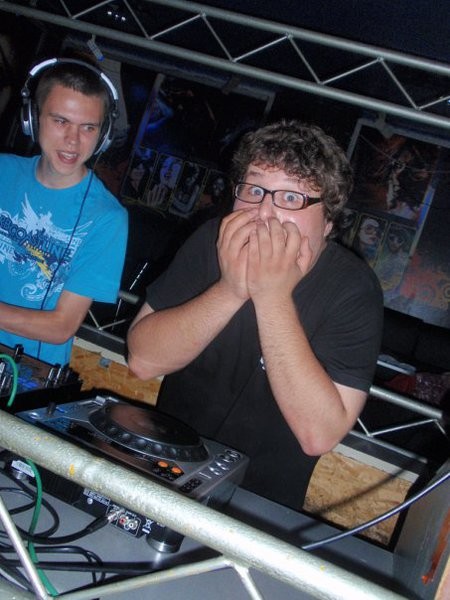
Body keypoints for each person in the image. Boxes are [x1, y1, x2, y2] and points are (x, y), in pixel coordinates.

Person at [127, 120, 384, 510]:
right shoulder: (211, 240)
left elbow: (318, 434)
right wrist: (230, 289)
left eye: (291, 197)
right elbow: (142, 360)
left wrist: (272, 295)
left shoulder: (352, 288)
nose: (264, 211)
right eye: (254, 189)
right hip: (164, 469)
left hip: (259, 507)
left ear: (328, 222)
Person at [0, 57, 128, 366]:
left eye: (88, 127)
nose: (73, 140)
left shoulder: (107, 218)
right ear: (33, 118)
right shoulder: (2, 170)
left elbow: (61, 327)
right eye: (60, 121)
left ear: (103, 135)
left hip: (25, 373)